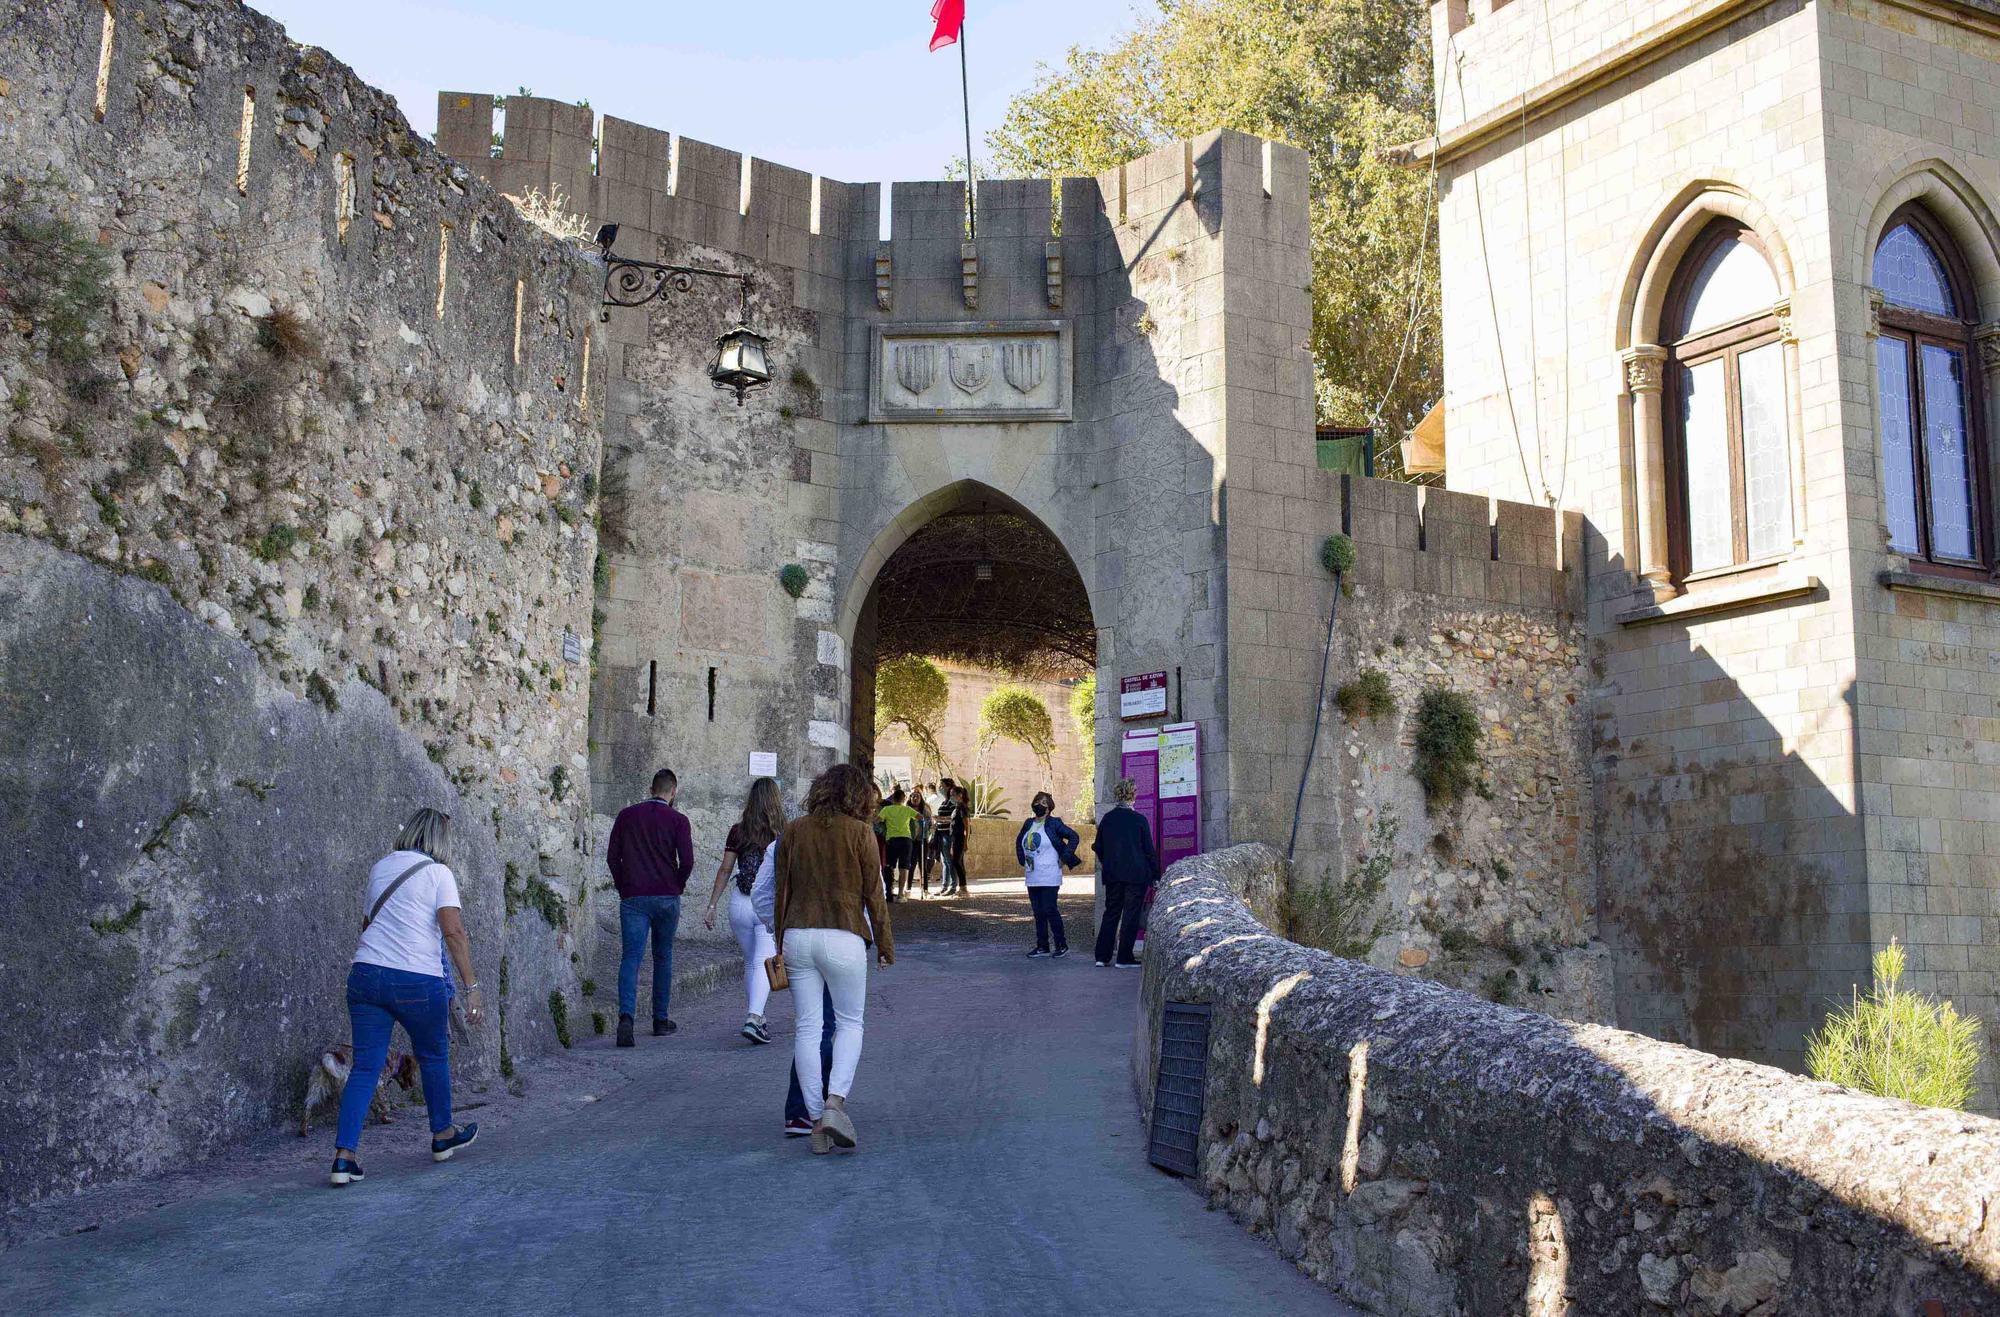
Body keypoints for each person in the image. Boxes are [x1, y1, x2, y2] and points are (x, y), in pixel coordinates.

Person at [329, 807, 482, 1187]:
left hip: (366, 976)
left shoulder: (380, 867)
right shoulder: (438, 873)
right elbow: (454, 934)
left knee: (365, 1067)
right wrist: (472, 986)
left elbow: (367, 925)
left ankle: (344, 1158)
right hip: (416, 980)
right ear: (439, 840)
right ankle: (443, 1135)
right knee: (433, 1057)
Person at [774, 763, 894, 1154]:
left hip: (798, 933)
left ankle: (813, 1121)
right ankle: (833, 1104)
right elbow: (875, 894)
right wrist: (886, 945)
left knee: (807, 1028)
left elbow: (782, 891)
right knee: (849, 1023)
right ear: (859, 796)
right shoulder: (861, 833)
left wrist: (779, 943)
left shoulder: (794, 830)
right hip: (843, 933)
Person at [606, 768, 695, 1048]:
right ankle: (660, 1019)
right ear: (673, 791)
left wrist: (624, 886)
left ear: (651, 788)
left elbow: (612, 857)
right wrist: (677, 885)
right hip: (666, 896)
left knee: (630, 958)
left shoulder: (626, 816)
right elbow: (688, 861)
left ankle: (626, 1019)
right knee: (663, 956)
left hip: (633, 897)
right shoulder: (679, 820)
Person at [751, 838, 833, 1138]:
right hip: (839, 941)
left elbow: (760, 896)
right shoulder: (854, 835)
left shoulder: (783, 842)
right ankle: (817, 1108)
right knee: (829, 1026)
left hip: (796, 941)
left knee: (811, 1026)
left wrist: (779, 929)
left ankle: (802, 1110)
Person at [702, 776, 784, 1044]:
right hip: (767, 904)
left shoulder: (738, 830)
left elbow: (726, 869)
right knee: (765, 961)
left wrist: (712, 904)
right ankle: (754, 1017)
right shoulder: (784, 832)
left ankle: (758, 1018)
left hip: (739, 902)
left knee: (751, 962)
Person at [1091, 777, 1161, 967]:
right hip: (1136, 874)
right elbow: (1149, 850)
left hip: (1113, 874)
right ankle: (1124, 957)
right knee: (1131, 914)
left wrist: (1108, 863)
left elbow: (1098, 846)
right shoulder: (1139, 820)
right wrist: (1155, 875)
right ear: (1133, 795)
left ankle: (1102, 956)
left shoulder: (1108, 819)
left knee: (1111, 912)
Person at [1016, 790, 1083, 959]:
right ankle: (1042, 946)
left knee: (1050, 909)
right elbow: (1019, 841)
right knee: (1038, 912)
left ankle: (1061, 944)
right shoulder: (1028, 823)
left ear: (1049, 808)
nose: (1039, 805)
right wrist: (1022, 859)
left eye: (1044, 803)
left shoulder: (1054, 823)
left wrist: (1065, 857)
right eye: (1038, 801)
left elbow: (1074, 837)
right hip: (1032, 875)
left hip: (1049, 874)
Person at [878, 787, 919, 901]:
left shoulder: (886, 809)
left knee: (889, 866)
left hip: (891, 840)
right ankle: (901, 894)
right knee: (904, 867)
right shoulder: (907, 809)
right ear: (903, 799)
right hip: (906, 840)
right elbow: (920, 817)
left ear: (893, 798)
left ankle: (889, 891)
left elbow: (878, 820)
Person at [932, 779, 962, 895]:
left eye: (942, 786)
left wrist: (939, 819)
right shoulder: (945, 802)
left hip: (948, 835)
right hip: (941, 833)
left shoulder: (953, 803)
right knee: (944, 861)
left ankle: (953, 886)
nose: (940, 788)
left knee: (950, 861)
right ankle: (944, 886)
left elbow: (953, 818)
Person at [909, 786, 934, 897]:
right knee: (911, 864)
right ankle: (908, 888)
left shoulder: (925, 808)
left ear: (921, 798)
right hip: (911, 840)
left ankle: (925, 889)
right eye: (913, 796)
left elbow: (930, 823)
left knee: (922, 865)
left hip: (922, 839)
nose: (915, 798)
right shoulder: (907, 809)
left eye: (917, 796)